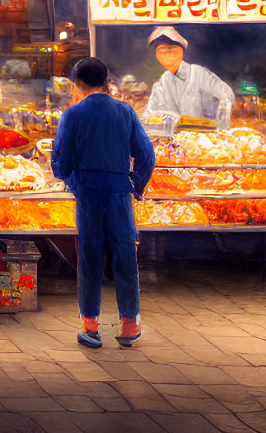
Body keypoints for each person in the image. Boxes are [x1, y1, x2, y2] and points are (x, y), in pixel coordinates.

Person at [52, 57, 156, 349]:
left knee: (90, 257)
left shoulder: (73, 114)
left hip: (88, 194)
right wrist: (136, 184)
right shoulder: (126, 111)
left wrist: (68, 180)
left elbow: (60, 159)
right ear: (106, 81)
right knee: (125, 255)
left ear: (78, 84)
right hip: (119, 194)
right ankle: (129, 323)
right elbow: (146, 154)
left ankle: (91, 326)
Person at [142, 26, 234, 128]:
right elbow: (150, 113)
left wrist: (221, 126)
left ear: (180, 52)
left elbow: (227, 95)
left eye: (169, 50)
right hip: (174, 141)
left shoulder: (199, 74)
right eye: (160, 52)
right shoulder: (163, 81)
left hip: (203, 139)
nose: (164, 55)